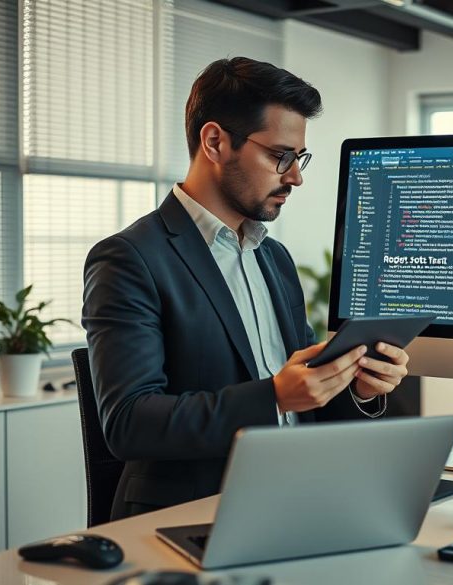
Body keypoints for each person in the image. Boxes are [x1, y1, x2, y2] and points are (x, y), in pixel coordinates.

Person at [82, 57, 410, 520]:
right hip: (192, 516)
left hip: (299, 500)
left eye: (300, 158)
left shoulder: (272, 258)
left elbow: (303, 401)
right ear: (215, 142)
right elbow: (129, 422)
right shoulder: (130, 258)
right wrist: (274, 395)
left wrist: (357, 387)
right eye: (281, 156)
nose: (295, 176)